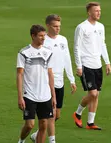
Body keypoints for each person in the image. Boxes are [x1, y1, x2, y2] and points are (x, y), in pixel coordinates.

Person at [30, 14, 77, 143]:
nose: (58, 29)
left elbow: (66, 59)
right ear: (48, 26)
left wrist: (71, 79)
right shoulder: (43, 42)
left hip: (60, 82)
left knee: (56, 115)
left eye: (59, 26)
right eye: (55, 26)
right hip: (47, 83)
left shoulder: (63, 40)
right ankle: (52, 140)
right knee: (51, 115)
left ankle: (36, 135)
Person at [72, 2, 111, 130]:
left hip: (97, 64)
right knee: (93, 94)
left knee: (96, 94)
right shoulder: (82, 27)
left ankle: (90, 123)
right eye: (96, 11)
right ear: (89, 12)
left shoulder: (101, 27)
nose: (99, 13)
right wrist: (78, 65)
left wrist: (107, 62)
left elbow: (103, 44)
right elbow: (76, 47)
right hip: (86, 64)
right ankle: (77, 113)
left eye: (100, 10)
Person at [17, 24, 56, 143]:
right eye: (40, 36)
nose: (43, 38)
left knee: (43, 125)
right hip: (30, 94)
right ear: (33, 36)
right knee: (30, 125)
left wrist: (53, 96)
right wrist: (20, 97)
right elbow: (19, 75)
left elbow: (50, 73)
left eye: (44, 36)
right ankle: (21, 141)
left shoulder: (48, 52)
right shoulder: (24, 53)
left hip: (45, 95)